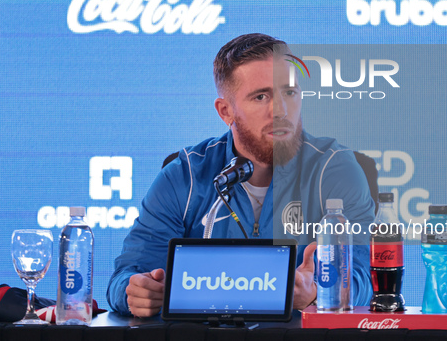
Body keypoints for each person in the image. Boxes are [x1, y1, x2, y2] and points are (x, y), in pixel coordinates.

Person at [107, 33, 375, 317]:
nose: (281, 110)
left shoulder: (335, 170)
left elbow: (366, 279)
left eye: (290, 92)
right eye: (261, 96)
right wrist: (136, 292)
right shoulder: (184, 176)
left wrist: (320, 289)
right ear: (226, 111)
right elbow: (128, 275)